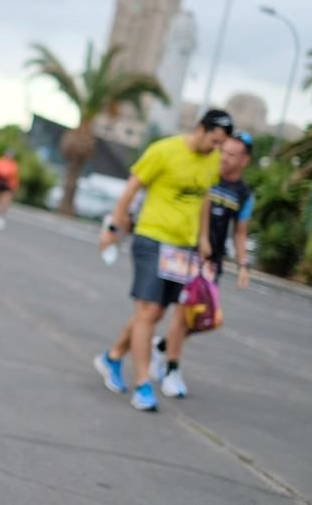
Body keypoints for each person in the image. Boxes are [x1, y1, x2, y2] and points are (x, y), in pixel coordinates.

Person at [93, 109, 232, 412]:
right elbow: (131, 188)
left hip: (182, 249)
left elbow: (205, 198)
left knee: (154, 314)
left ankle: (113, 357)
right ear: (200, 129)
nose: (216, 148)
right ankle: (143, 384)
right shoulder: (164, 151)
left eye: (221, 144)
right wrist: (115, 227)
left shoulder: (212, 160)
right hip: (152, 238)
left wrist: (204, 239)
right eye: (214, 140)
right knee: (149, 309)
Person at [149, 131, 255, 398]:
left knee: (202, 320)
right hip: (186, 254)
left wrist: (243, 264)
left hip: (212, 263)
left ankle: (161, 347)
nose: (224, 158)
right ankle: (172, 370)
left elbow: (240, 232)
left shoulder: (244, 194)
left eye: (232, 155)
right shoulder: (206, 173)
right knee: (181, 314)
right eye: (223, 152)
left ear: (245, 160)